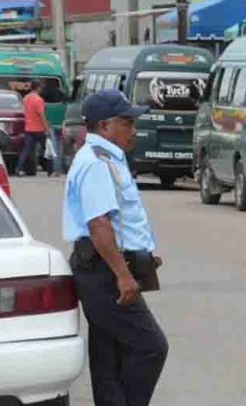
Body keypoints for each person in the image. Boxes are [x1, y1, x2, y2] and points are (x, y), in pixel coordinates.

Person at [62, 89, 168, 406]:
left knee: (109, 354)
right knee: (151, 346)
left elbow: (118, 221)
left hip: (103, 266)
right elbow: (98, 225)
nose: (133, 129)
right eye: (126, 122)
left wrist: (141, 254)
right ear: (105, 126)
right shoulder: (96, 163)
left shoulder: (102, 158)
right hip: (103, 271)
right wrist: (123, 275)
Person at [16, 80, 51, 176]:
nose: (42, 89)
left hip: (28, 128)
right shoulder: (38, 100)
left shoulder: (26, 98)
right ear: (38, 88)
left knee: (26, 150)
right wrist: (46, 128)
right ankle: (50, 171)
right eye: (41, 87)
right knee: (47, 150)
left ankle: (18, 169)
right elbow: (41, 115)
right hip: (39, 129)